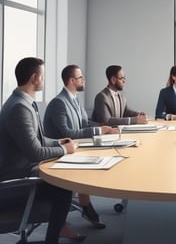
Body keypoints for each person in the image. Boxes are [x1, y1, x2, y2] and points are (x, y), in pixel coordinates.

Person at [0, 57, 79, 244]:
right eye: (43, 76)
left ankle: (57, 232)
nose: (44, 80)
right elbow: (35, 153)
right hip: (15, 183)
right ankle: (53, 238)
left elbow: (36, 141)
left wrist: (58, 142)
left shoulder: (21, 102)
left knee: (63, 182)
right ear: (34, 78)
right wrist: (64, 150)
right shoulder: (19, 108)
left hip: (21, 174)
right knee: (64, 187)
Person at [44, 64, 118, 229]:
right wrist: (98, 130)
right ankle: (81, 208)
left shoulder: (75, 99)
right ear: (72, 80)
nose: (84, 80)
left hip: (75, 149)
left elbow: (84, 123)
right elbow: (68, 133)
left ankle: (85, 204)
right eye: (80, 78)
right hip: (58, 154)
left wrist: (104, 128)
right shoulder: (59, 103)